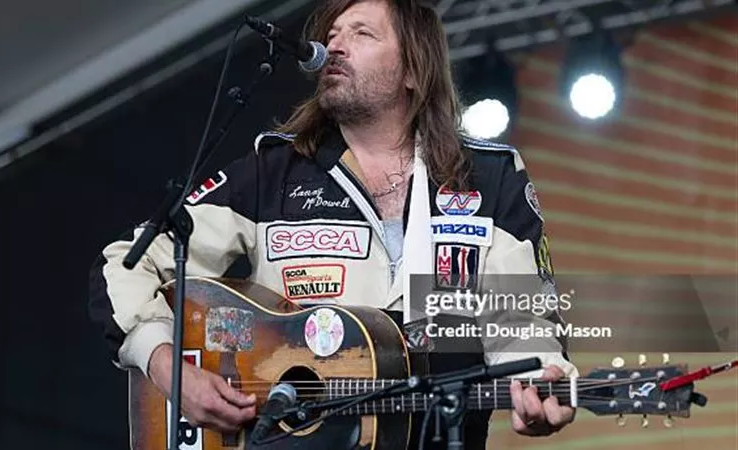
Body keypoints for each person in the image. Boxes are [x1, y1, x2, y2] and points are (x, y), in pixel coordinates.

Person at [88, 0, 578, 447]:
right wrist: (169, 367)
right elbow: (123, 265)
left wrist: (542, 379)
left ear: (413, 68)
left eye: (362, 33)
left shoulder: (487, 179)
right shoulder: (271, 172)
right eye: (333, 32)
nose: (334, 44)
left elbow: (523, 322)